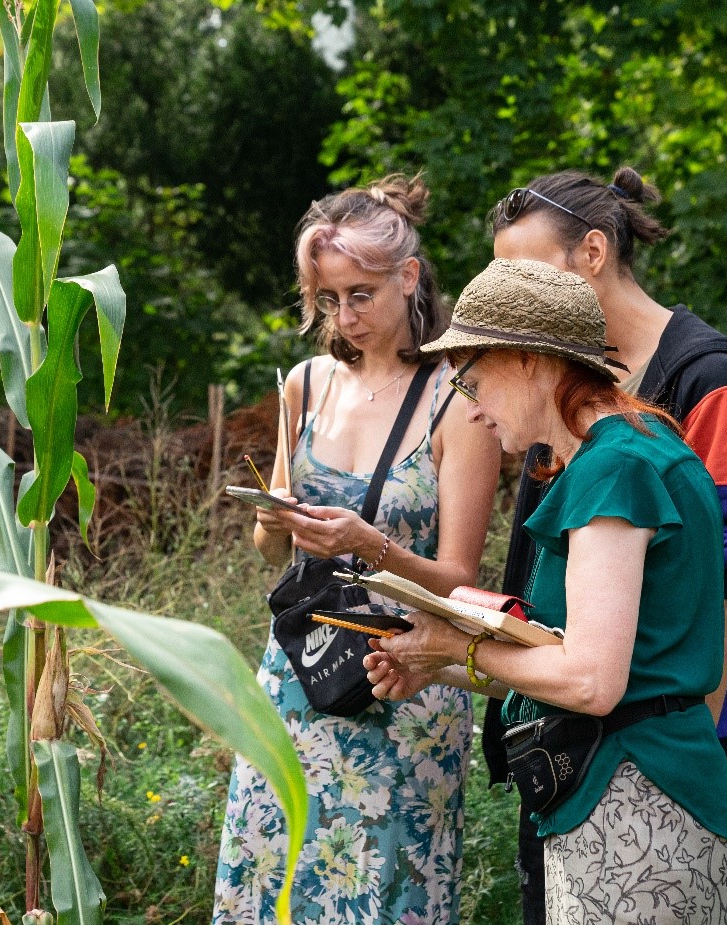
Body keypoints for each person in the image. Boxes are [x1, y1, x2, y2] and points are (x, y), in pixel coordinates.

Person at [366, 257, 727, 924]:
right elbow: (569, 662)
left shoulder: (612, 469)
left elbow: (592, 682)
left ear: (532, 361)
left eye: (474, 380)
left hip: (632, 803)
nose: (473, 408)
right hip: (638, 799)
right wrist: (436, 662)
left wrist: (457, 641)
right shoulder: (637, 447)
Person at [211, 174, 501, 925]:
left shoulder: (459, 401)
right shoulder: (304, 385)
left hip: (400, 684)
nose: (345, 315)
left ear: (408, 277)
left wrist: (371, 544)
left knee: (381, 892)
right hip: (298, 675)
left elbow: (461, 581)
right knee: (276, 880)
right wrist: (276, 520)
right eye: (328, 298)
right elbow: (268, 551)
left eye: (360, 294)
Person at [485, 167, 727, 923]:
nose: (509, 293)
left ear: (590, 253)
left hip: (646, 743)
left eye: (523, 272)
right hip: (571, 738)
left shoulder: (708, 376)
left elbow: (725, 581)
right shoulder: (560, 402)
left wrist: (672, 748)